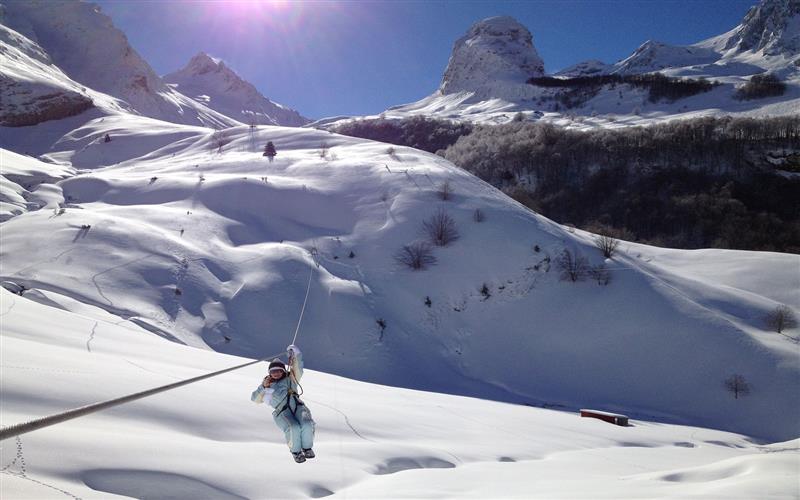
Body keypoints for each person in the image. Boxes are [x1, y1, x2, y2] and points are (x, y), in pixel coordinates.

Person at [251, 344, 316, 463]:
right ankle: (296, 452)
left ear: (282, 371)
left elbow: (298, 368)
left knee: (306, 424)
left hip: (298, 406)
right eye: (273, 371)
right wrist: (263, 387)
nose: (276, 373)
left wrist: (296, 354)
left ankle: (307, 448)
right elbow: (255, 399)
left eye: (278, 371)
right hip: (282, 412)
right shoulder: (267, 385)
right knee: (293, 427)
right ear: (270, 373)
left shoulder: (291, 378)